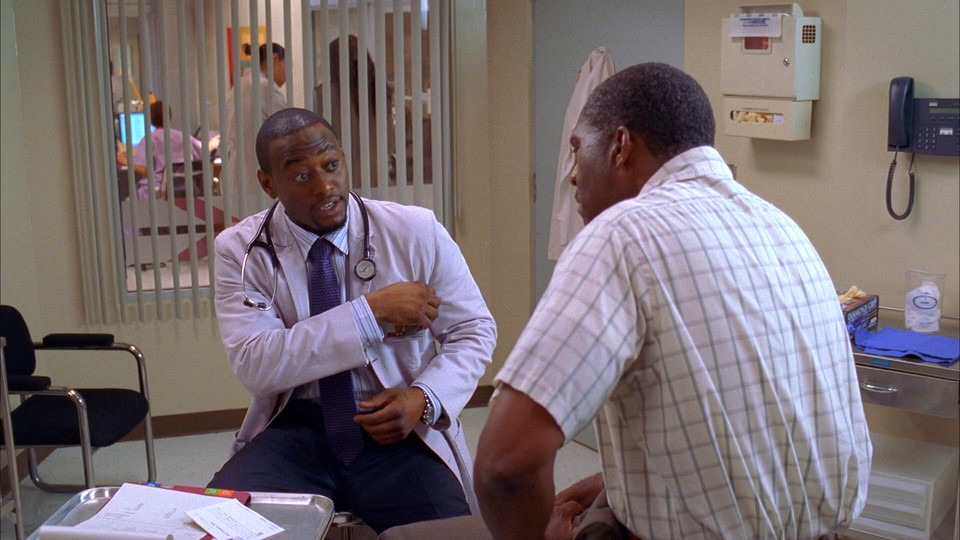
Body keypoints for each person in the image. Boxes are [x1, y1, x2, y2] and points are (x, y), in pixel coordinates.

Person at [383, 63, 872, 539]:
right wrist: (612, 487)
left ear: (620, 146)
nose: (572, 176)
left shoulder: (621, 236)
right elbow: (746, 434)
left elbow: (503, 467)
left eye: (577, 150)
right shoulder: (783, 229)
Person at [208, 107, 497, 534]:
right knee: (221, 526)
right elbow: (258, 365)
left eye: (331, 165)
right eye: (301, 175)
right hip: (296, 431)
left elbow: (473, 330)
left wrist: (423, 397)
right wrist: (371, 313)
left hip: (397, 428)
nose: (325, 186)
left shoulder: (414, 230)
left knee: (450, 532)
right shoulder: (240, 251)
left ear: (344, 158)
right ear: (268, 183)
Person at [224, 42, 287, 217]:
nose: (287, 74)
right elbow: (287, 132)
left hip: (237, 174)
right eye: (286, 65)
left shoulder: (239, 86)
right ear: (275, 59)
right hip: (259, 178)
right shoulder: (265, 88)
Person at [132, 100, 219, 200]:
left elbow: (143, 168)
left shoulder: (149, 140)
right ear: (170, 117)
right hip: (184, 192)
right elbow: (204, 149)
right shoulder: (183, 137)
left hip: (156, 193)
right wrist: (213, 142)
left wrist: (126, 160)